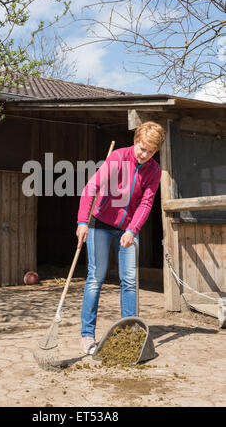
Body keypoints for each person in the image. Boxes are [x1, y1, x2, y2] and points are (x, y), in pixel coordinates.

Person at [76, 121, 165, 355]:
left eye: (151, 151)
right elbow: (90, 188)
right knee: (96, 277)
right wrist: (82, 222)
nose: (145, 155)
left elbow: (146, 203)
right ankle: (87, 336)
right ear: (136, 141)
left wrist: (132, 230)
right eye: (142, 148)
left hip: (127, 229)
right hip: (100, 224)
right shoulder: (118, 157)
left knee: (129, 280)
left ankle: (129, 333)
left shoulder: (154, 170)